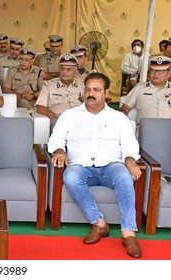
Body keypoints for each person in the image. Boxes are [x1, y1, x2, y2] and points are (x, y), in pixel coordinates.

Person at [47, 72, 143, 258]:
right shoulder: (69, 116)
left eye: (96, 90)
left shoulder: (118, 118)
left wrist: (130, 160)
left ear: (106, 93)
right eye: (88, 89)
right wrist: (59, 150)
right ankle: (99, 223)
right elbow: (56, 139)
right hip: (81, 166)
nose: (90, 93)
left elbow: (130, 144)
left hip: (111, 166)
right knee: (70, 176)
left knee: (124, 176)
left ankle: (129, 234)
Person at [34, 53, 84, 126]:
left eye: (68, 69)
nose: (64, 72)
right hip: (59, 121)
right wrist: (51, 115)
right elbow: (40, 107)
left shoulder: (83, 86)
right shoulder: (49, 86)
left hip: (80, 121)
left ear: (75, 71)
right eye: (62, 68)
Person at [120, 55, 171, 124]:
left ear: (169, 73)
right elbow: (126, 107)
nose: (156, 74)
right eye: (153, 70)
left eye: (161, 71)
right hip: (145, 130)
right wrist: (120, 118)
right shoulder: (139, 88)